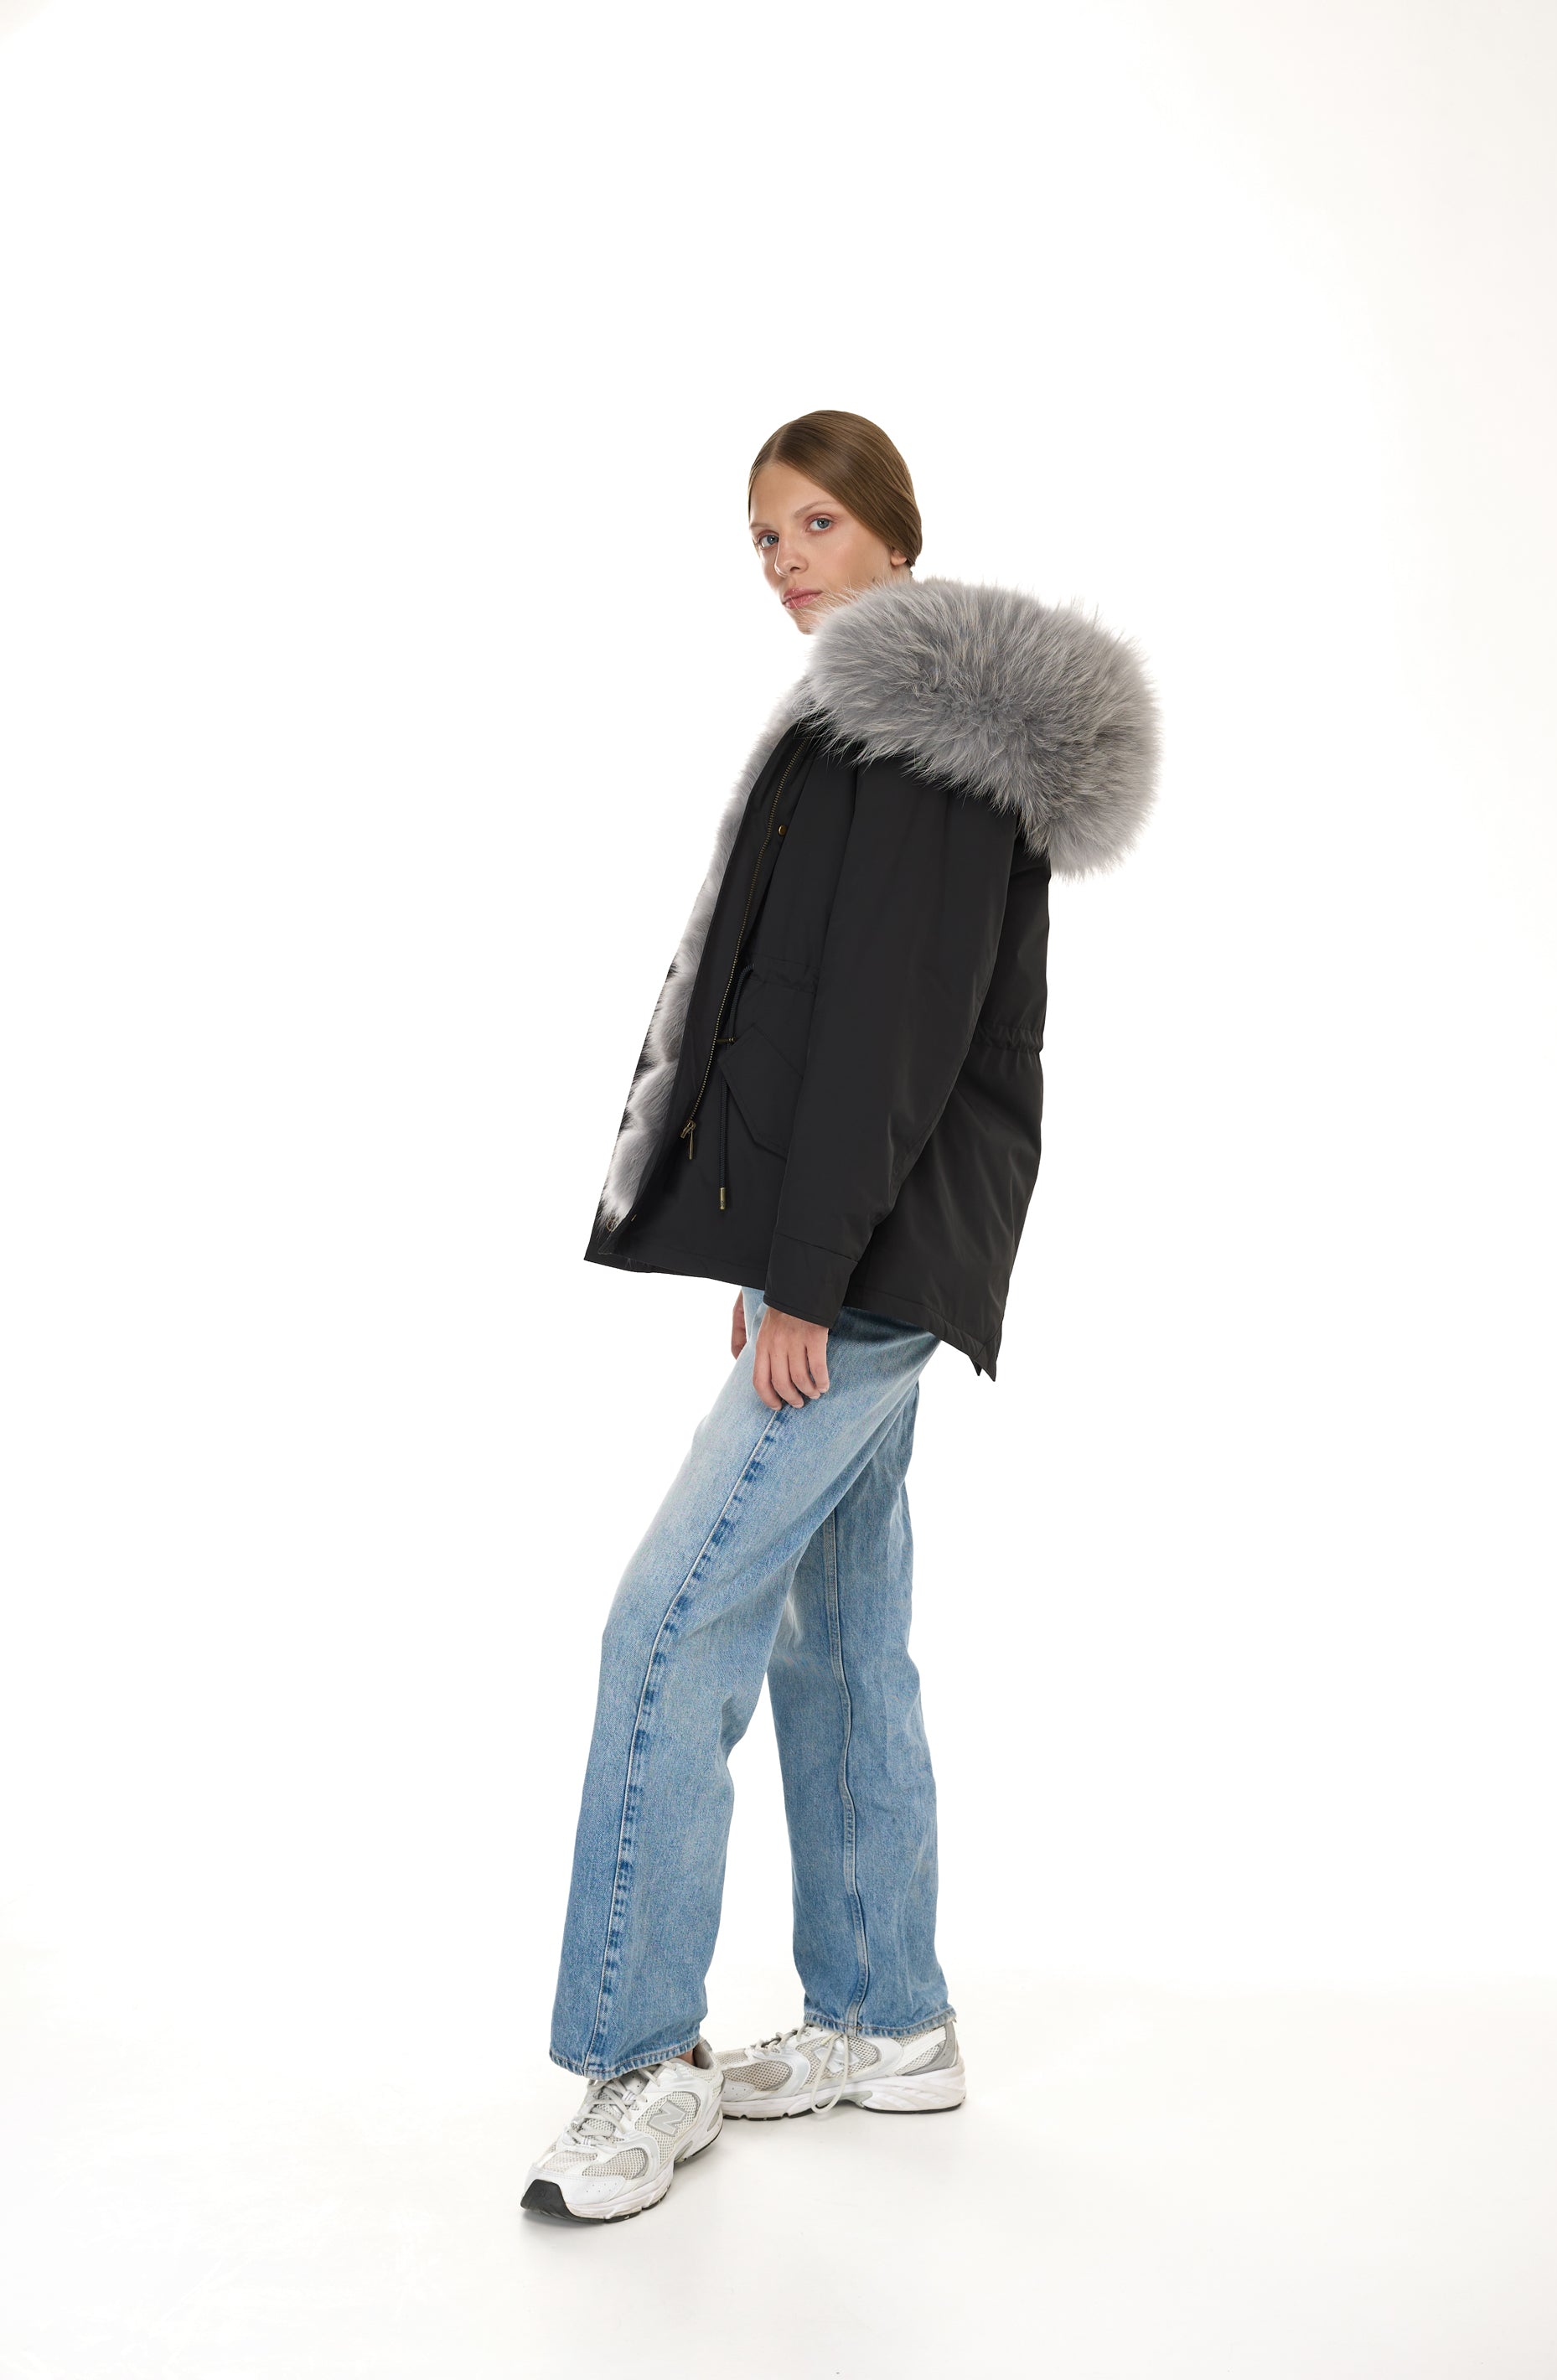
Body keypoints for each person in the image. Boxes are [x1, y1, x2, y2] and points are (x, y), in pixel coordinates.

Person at [521, 411, 1160, 2222]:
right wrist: (771, 1257)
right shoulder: (855, 731)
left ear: (892, 531)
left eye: (814, 523)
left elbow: (891, 1031)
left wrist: (808, 1273)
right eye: (761, 535)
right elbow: (802, 1019)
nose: (785, 559)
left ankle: (639, 2057)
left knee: (666, 1626)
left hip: (867, 1266)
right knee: (838, 1633)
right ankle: (888, 2020)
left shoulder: (922, 739)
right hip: (856, 1255)